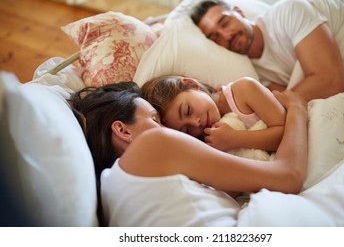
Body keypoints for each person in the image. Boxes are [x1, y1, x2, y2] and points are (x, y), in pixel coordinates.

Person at [70, 81, 308, 226]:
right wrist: (297, 109)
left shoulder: (109, 189)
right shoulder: (154, 144)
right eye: (155, 119)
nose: (166, 129)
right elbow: (289, 177)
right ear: (122, 130)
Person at [189, 0, 344, 102]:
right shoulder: (250, 73)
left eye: (225, 22)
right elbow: (289, 100)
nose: (227, 36)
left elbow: (331, 81)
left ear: (239, 12)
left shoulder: (289, 12)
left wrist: (280, 101)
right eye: (215, 37)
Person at [142, 75, 286, 152]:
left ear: (191, 84)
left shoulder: (243, 89)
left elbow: (287, 131)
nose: (195, 123)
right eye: (186, 130)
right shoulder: (210, 141)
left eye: (187, 111)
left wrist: (235, 139)